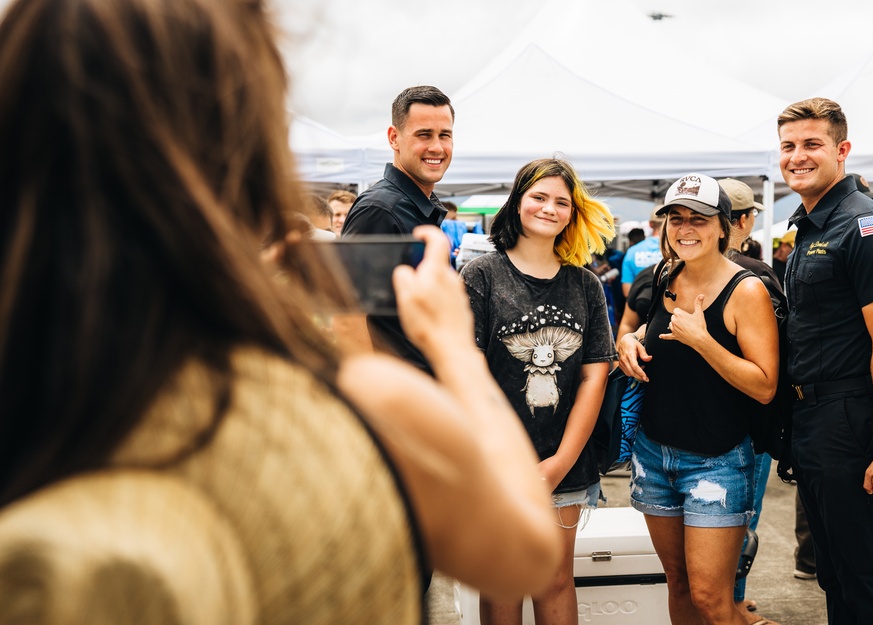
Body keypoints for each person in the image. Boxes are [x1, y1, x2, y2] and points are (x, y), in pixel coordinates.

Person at [0, 1, 561, 622]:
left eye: (444, 133)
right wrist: (452, 346)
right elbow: (523, 552)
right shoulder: (307, 406)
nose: (437, 146)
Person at [616, 173, 779, 625]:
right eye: (676, 218)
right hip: (652, 454)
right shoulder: (664, 275)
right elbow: (644, 334)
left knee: (711, 597)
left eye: (699, 219)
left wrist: (704, 342)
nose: (685, 228)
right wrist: (627, 341)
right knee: (678, 583)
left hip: (717, 461)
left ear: (724, 227)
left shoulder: (746, 290)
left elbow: (765, 384)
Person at [461, 158, 616, 625]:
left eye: (561, 202)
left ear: (572, 213)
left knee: (554, 579)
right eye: (539, 197)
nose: (549, 208)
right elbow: (467, 372)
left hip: (562, 461)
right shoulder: (481, 276)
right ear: (518, 202)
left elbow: (594, 375)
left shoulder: (585, 284)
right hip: (494, 463)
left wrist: (560, 463)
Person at [777, 97, 873, 625]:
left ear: (842, 150)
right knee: (834, 575)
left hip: (851, 419)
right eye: (788, 146)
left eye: (812, 144)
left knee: (866, 582)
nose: (797, 157)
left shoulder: (865, 226)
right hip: (812, 421)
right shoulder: (810, 225)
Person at [340, 85, 454, 371]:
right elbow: (347, 318)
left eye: (445, 135)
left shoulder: (420, 205)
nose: (437, 147)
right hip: (398, 397)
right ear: (394, 138)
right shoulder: (379, 209)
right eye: (424, 135)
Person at [718, 178, 784, 625]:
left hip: (691, 425)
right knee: (742, 520)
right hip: (746, 423)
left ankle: (725, 600)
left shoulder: (670, 272)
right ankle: (732, 601)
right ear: (741, 221)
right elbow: (775, 363)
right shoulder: (755, 276)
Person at [621, 209, 664, 297]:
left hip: (640, 305)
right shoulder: (676, 251)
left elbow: (627, 292)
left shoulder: (632, 251)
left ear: (650, 224)